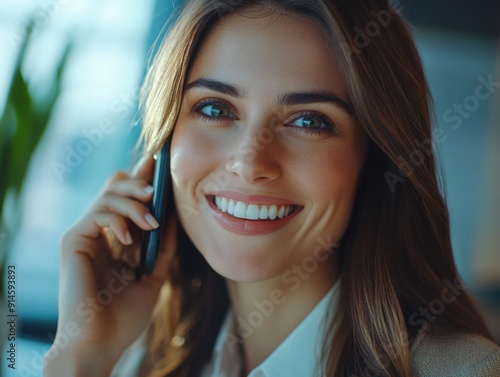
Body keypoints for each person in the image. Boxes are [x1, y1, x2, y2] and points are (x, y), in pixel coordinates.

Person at [44, 0, 500, 376]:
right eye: (216, 109)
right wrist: (80, 358)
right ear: (164, 145)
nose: (249, 164)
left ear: (377, 159)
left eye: (309, 121)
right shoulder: (135, 357)